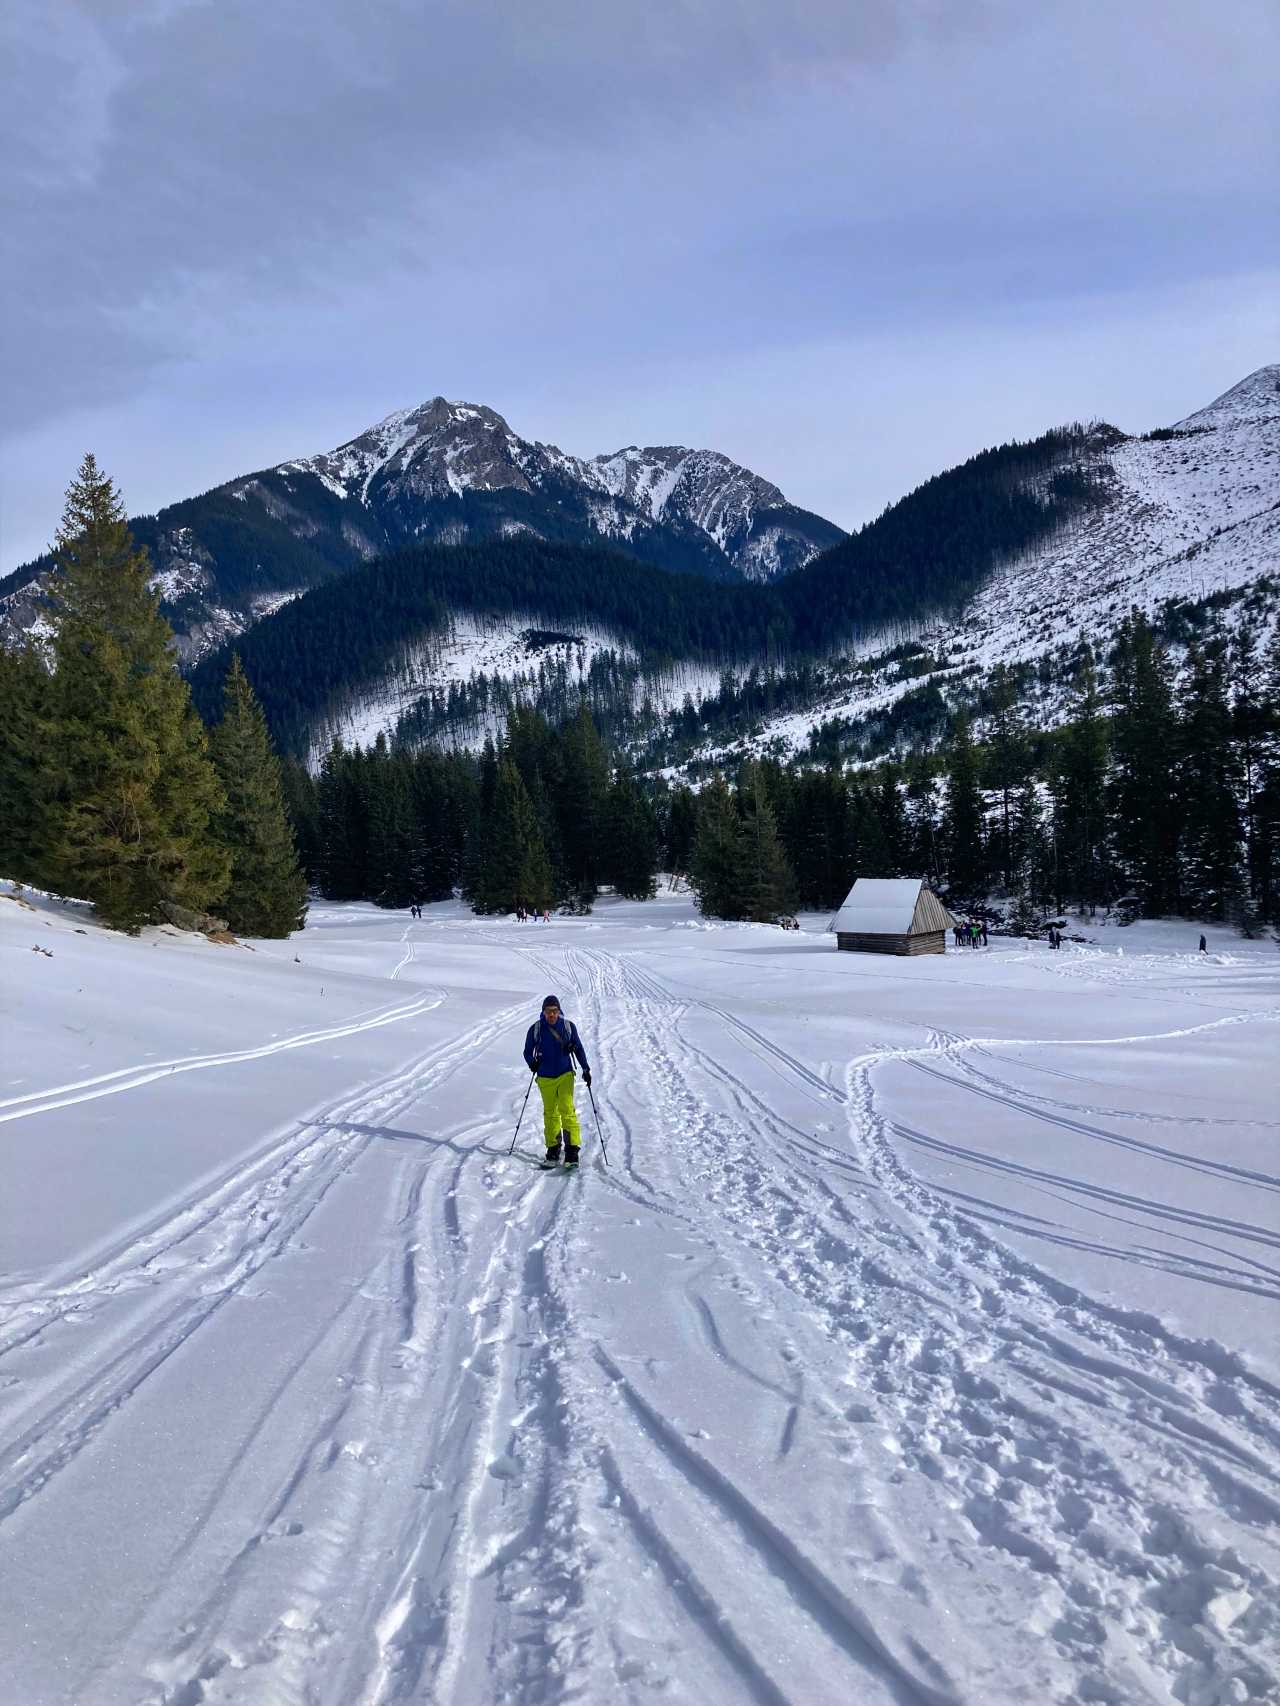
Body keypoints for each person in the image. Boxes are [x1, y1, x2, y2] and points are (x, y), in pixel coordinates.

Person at [523, 995, 592, 1168]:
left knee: (567, 1110)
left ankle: (572, 1150)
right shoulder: (536, 1029)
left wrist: (585, 1068)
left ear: (559, 1011)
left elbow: (579, 1048)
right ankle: (553, 1149)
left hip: (565, 1075)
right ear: (543, 1012)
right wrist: (533, 1063)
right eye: (548, 1011)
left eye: (554, 1011)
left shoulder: (568, 1027)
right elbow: (527, 1051)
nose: (551, 1015)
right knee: (550, 1113)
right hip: (545, 1077)